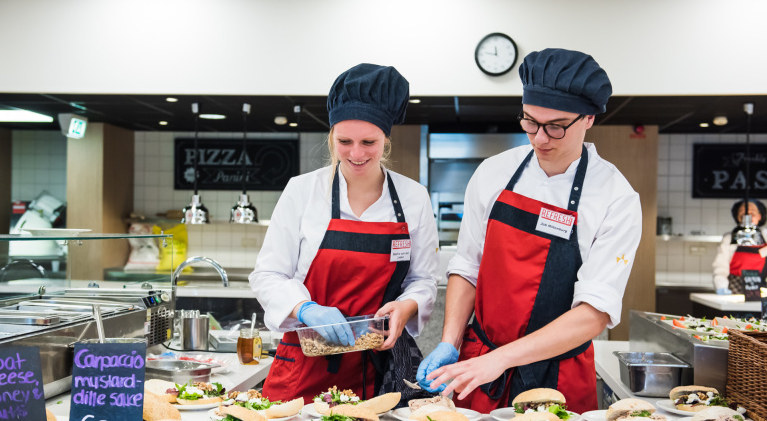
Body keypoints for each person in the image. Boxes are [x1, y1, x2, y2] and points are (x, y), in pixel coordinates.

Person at [415, 48, 642, 414]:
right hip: (479, 367)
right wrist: (450, 342)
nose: (539, 139)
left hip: (558, 379)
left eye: (556, 126)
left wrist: (502, 359)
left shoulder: (616, 197)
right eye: (530, 122)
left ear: (588, 119)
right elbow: (467, 266)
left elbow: (594, 312)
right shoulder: (493, 172)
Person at [249, 63, 439, 403]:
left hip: (377, 372)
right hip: (303, 367)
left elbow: (423, 280)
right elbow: (267, 274)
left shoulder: (413, 198)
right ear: (331, 137)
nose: (356, 153)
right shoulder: (303, 191)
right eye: (344, 141)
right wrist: (305, 309)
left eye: (369, 142)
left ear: (386, 139)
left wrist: (407, 306)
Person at [712, 199, 767, 294]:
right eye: (743, 214)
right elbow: (720, 266)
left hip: (761, 290)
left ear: (759, 217)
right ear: (738, 217)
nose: (747, 216)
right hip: (734, 289)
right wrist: (721, 286)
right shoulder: (729, 238)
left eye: (752, 213)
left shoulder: (765, 236)